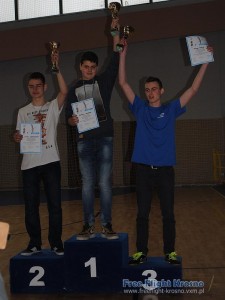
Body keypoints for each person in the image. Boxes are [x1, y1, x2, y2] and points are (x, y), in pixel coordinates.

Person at [118, 40, 212, 265]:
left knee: (168, 214)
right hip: (142, 171)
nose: (150, 93)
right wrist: (123, 54)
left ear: (161, 91)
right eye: (147, 90)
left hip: (165, 172)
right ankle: (141, 252)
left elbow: (194, 89)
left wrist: (206, 62)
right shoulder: (140, 108)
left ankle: (170, 251)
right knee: (142, 214)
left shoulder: (171, 110)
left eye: (153, 89)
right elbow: (122, 82)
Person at [65, 17, 120, 240]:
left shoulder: (104, 82)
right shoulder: (73, 88)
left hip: (105, 138)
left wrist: (115, 33)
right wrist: (72, 122)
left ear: (96, 68)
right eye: (86, 67)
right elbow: (68, 117)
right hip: (84, 141)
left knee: (105, 184)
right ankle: (88, 225)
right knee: (87, 185)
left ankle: (107, 224)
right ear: (80, 67)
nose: (89, 70)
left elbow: (116, 58)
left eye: (92, 67)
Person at [13, 50, 68, 255]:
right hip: (29, 166)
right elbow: (19, 134)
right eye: (31, 86)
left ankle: (56, 242)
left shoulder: (53, 107)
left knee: (55, 205)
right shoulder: (22, 111)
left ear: (45, 87)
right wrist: (16, 137)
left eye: (38, 86)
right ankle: (34, 243)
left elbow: (63, 91)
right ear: (28, 89)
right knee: (31, 207)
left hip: (51, 162)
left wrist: (57, 68)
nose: (35, 89)